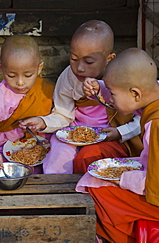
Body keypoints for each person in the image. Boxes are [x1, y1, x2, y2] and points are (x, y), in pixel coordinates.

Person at [76, 48, 159, 243]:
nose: (110, 100)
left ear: (135, 93)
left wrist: (120, 178)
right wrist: (101, 88)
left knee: (98, 191)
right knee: (94, 175)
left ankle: (122, 239)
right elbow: (128, 92)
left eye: (112, 94)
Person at [19, 20, 143, 174]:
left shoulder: (123, 78)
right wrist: (43, 122)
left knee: (87, 158)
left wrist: (120, 132)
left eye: (89, 62)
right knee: (57, 158)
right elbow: (63, 114)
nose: (79, 68)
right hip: (73, 133)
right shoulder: (69, 77)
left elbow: (141, 120)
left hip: (111, 136)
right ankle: (56, 192)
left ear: (109, 59)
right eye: (74, 59)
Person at [0, 35, 54, 175]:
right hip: (1, 150)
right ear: (1, 68)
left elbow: (57, 117)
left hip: (35, 147)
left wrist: (43, 122)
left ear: (39, 68)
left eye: (28, 75)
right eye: (11, 75)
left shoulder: (45, 90)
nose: (20, 82)